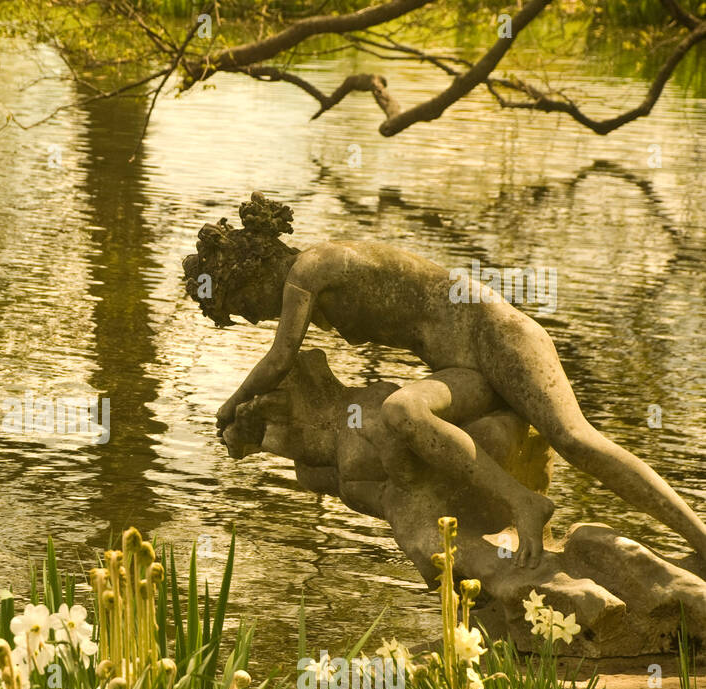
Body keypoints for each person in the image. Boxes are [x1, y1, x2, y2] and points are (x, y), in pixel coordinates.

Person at [185, 193, 706, 567]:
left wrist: (228, 405)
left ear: (252, 272)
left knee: (575, 438)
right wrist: (253, 427)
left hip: (496, 337)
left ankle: (699, 539)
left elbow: (279, 359)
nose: (253, 317)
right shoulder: (312, 282)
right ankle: (524, 503)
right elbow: (295, 384)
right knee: (403, 411)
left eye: (244, 306)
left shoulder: (311, 268)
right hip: (460, 370)